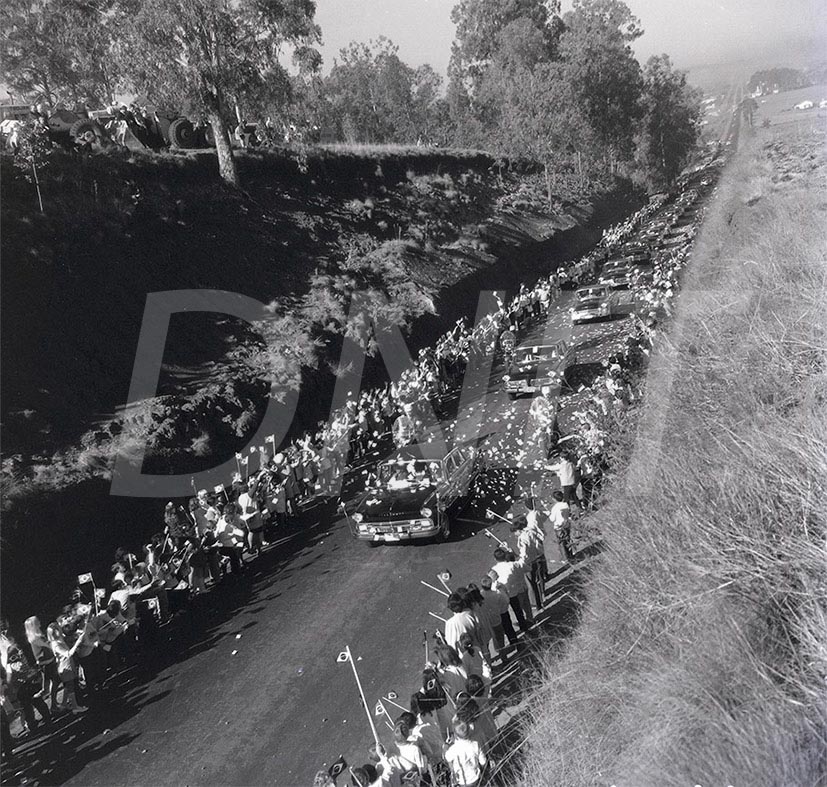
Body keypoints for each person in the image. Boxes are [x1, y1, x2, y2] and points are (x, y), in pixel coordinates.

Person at [4, 645, 51, 733]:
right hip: (31, 684)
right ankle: (47, 718)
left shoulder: (10, 666)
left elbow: (9, 680)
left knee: (27, 708)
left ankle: (32, 725)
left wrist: (13, 687)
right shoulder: (24, 659)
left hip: (21, 689)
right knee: (38, 702)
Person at [46, 617, 90, 713]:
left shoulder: (60, 640)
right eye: (57, 630)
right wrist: (78, 642)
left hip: (69, 664)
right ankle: (75, 707)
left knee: (69, 687)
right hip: (64, 666)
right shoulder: (55, 644)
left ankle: (66, 704)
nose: (59, 630)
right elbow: (68, 653)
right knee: (70, 687)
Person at [489, 548, 532, 633]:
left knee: (511, 611)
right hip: (518, 590)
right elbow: (527, 568)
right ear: (505, 556)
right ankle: (526, 623)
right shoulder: (514, 565)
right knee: (522, 608)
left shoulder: (494, 569)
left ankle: (517, 626)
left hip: (505, 593)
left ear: (495, 559)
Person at [24, 616, 60, 709]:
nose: (40, 621)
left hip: (49, 662)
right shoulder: (35, 638)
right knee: (48, 687)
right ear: (33, 625)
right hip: (46, 664)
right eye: (37, 621)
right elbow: (48, 645)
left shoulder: (38, 635)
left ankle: (53, 704)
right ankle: (40, 701)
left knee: (54, 682)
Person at [511, 516, 546, 610]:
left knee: (531, 584)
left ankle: (536, 604)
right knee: (537, 581)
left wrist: (517, 558)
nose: (515, 534)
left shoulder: (522, 539)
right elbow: (541, 537)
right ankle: (541, 599)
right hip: (537, 558)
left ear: (518, 530)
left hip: (528, 563)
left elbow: (524, 554)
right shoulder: (531, 532)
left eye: (515, 532)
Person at [443, 719, 487, 787]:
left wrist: (445, 746)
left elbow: (447, 758)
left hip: (462, 781)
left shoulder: (454, 749)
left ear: (455, 735)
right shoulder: (475, 744)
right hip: (476, 777)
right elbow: (483, 761)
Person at [479, 576, 516, 651]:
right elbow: (506, 601)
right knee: (502, 634)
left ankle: (498, 650)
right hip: (498, 616)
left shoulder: (481, 595)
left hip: (488, 620)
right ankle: (510, 647)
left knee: (494, 636)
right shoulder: (496, 594)